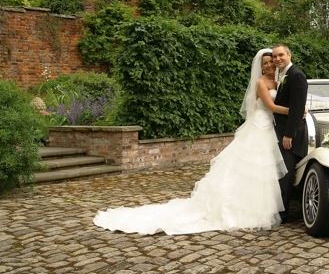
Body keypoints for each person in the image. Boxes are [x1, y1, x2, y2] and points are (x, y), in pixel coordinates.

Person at [93, 49, 292, 235]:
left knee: (264, 172)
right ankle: (247, 210)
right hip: (259, 128)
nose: (269, 65)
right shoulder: (260, 83)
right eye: (265, 63)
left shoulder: (278, 80)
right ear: (261, 65)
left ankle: (260, 205)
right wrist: (295, 111)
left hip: (271, 129)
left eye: (271, 62)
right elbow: (271, 106)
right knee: (253, 169)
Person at [272, 44, 308, 223]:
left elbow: (297, 108)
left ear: (289, 55)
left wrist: (289, 134)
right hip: (281, 130)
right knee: (281, 171)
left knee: (286, 172)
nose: (277, 59)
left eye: (280, 55)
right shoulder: (284, 74)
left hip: (290, 133)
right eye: (275, 56)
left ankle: (284, 213)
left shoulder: (296, 75)